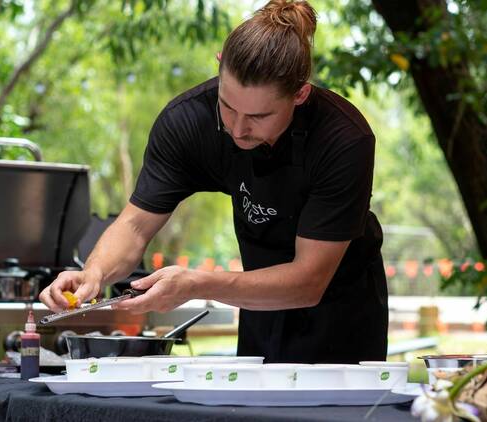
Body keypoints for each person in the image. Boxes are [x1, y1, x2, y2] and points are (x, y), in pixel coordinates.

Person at [40, 0, 388, 364]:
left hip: (342, 306)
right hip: (256, 298)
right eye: (228, 106)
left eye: (259, 116)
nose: (238, 129)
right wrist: (93, 273)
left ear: (300, 94)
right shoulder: (186, 122)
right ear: (220, 63)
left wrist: (196, 284)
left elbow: (308, 281)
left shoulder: (343, 139)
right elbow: (134, 225)